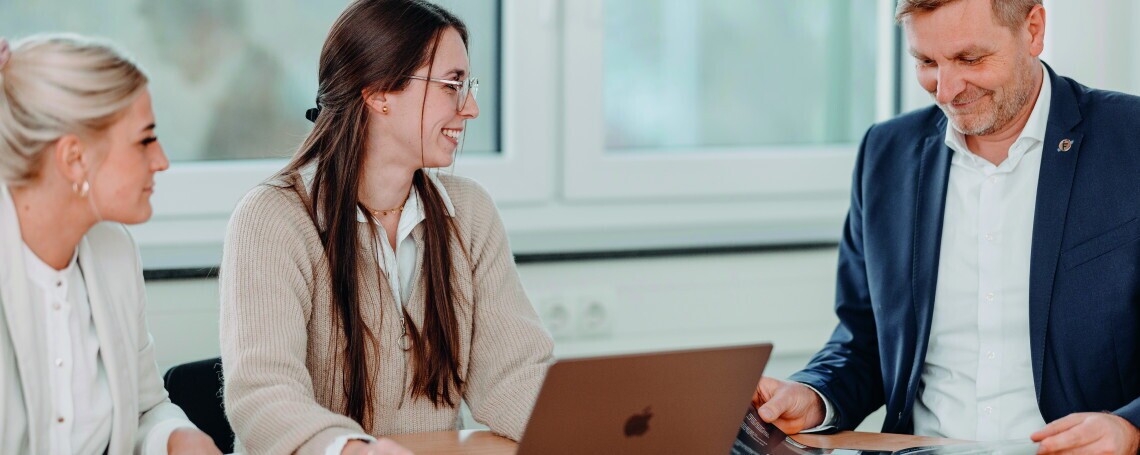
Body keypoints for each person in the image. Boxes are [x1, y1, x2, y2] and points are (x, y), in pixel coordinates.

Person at [752, 1, 1140, 454]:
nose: (947, 89)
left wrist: (1130, 429)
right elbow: (864, 339)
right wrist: (814, 397)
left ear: (1033, 29)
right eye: (926, 62)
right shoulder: (886, 154)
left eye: (969, 59)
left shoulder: (1129, 139)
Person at [218, 1, 555, 454]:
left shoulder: (469, 212)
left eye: (467, 85)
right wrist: (354, 450)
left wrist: (609, 430)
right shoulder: (273, 218)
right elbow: (263, 395)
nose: (470, 108)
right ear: (378, 93)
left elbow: (511, 376)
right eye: (452, 85)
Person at [0, 34, 220, 454]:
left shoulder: (114, 253)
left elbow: (144, 407)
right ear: (74, 158)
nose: (162, 160)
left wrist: (177, 438)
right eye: (145, 139)